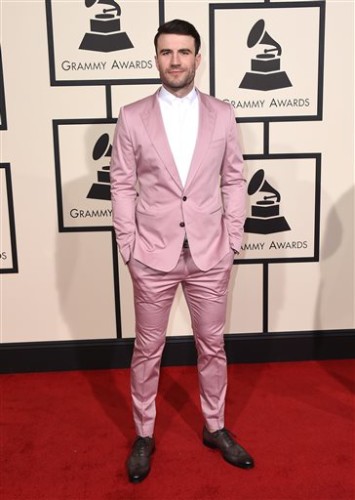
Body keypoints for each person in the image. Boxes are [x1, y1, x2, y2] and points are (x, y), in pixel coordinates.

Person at [110, 18, 254, 483]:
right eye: (166, 52)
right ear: (156, 58)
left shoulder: (223, 114)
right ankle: (144, 434)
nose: (175, 60)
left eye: (184, 52)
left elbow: (234, 178)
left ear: (198, 57)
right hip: (151, 253)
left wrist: (233, 237)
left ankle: (215, 426)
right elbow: (121, 184)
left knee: (213, 346)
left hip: (211, 252)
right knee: (147, 349)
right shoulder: (132, 116)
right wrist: (127, 244)